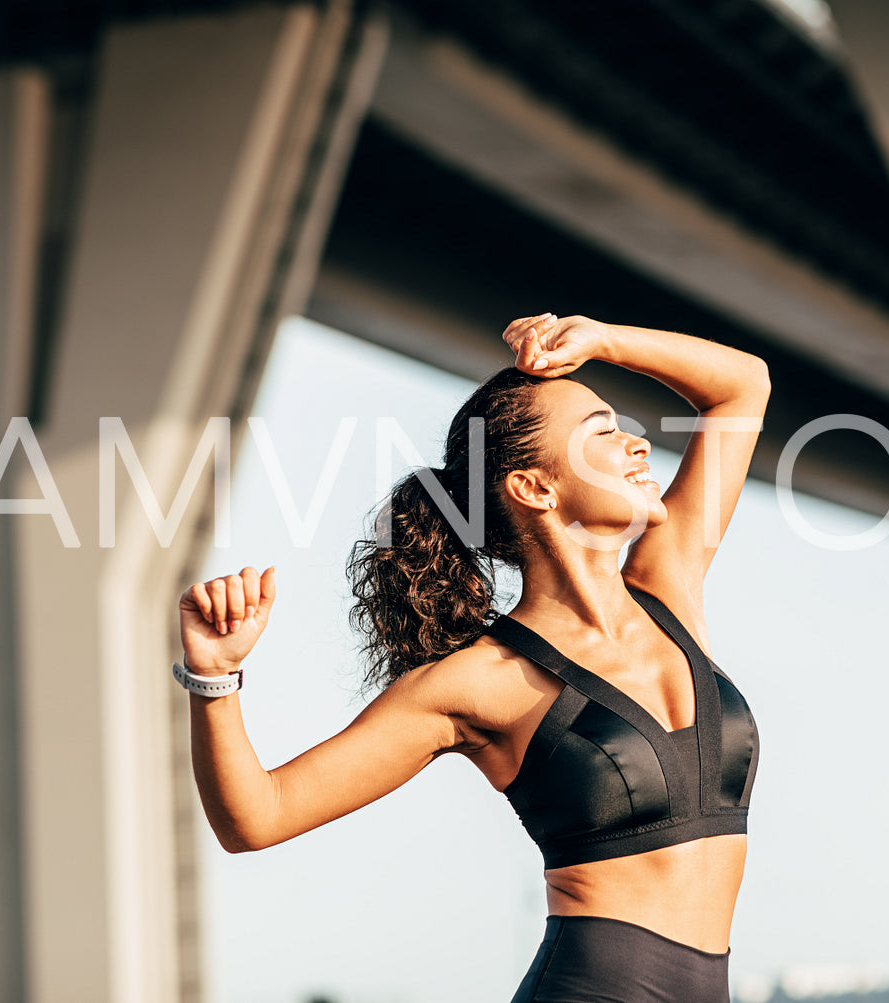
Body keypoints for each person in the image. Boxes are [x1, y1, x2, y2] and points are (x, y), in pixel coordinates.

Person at [177, 313, 771, 1002]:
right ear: (534, 488)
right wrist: (213, 675)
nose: (637, 445)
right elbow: (258, 815)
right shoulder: (475, 681)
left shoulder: (670, 587)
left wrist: (602, 340)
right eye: (603, 432)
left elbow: (741, 386)